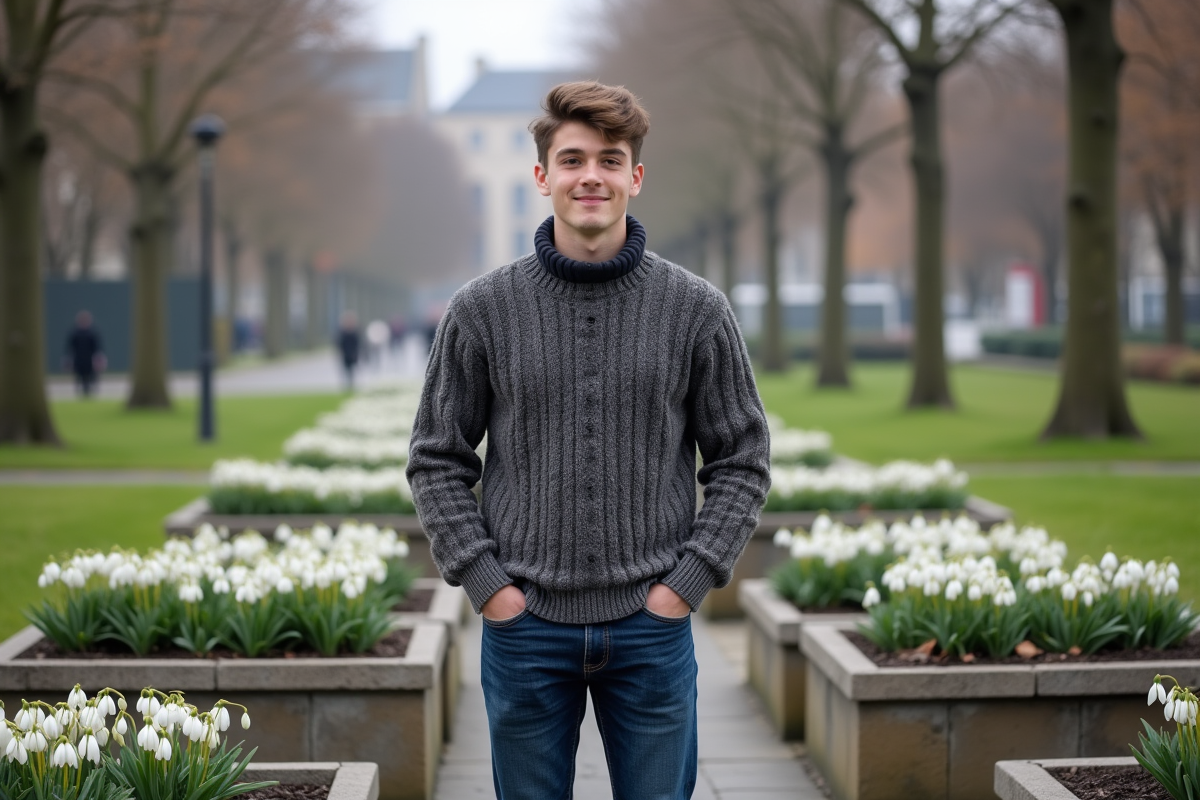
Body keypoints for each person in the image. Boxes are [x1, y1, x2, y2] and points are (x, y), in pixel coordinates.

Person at [406, 82, 771, 799]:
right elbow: (436, 458)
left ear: (635, 176)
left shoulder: (696, 310)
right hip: (523, 629)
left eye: (611, 159)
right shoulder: (482, 310)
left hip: (653, 627)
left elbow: (743, 458)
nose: (591, 176)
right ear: (542, 176)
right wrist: (489, 588)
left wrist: (685, 585)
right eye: (572, 159)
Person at [64, 310, 105, 398]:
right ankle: (82, 392)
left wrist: (99, 359)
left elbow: (97, 347)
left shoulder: (92, 333)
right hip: (78, 359)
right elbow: (70, 347)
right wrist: (68, 360)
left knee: (91, 376)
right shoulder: (75, 333)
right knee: (80, 376)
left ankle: (89, 391)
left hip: (90, 359)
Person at [335, 311, 360, 391]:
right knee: (345, 369)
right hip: (345, 354)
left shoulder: (354, 331)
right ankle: (347, 384)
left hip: (353, 354)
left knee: (352, 370)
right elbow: (339, 343)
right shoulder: (342, 332)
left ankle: (351, 384)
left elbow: (358, 343)